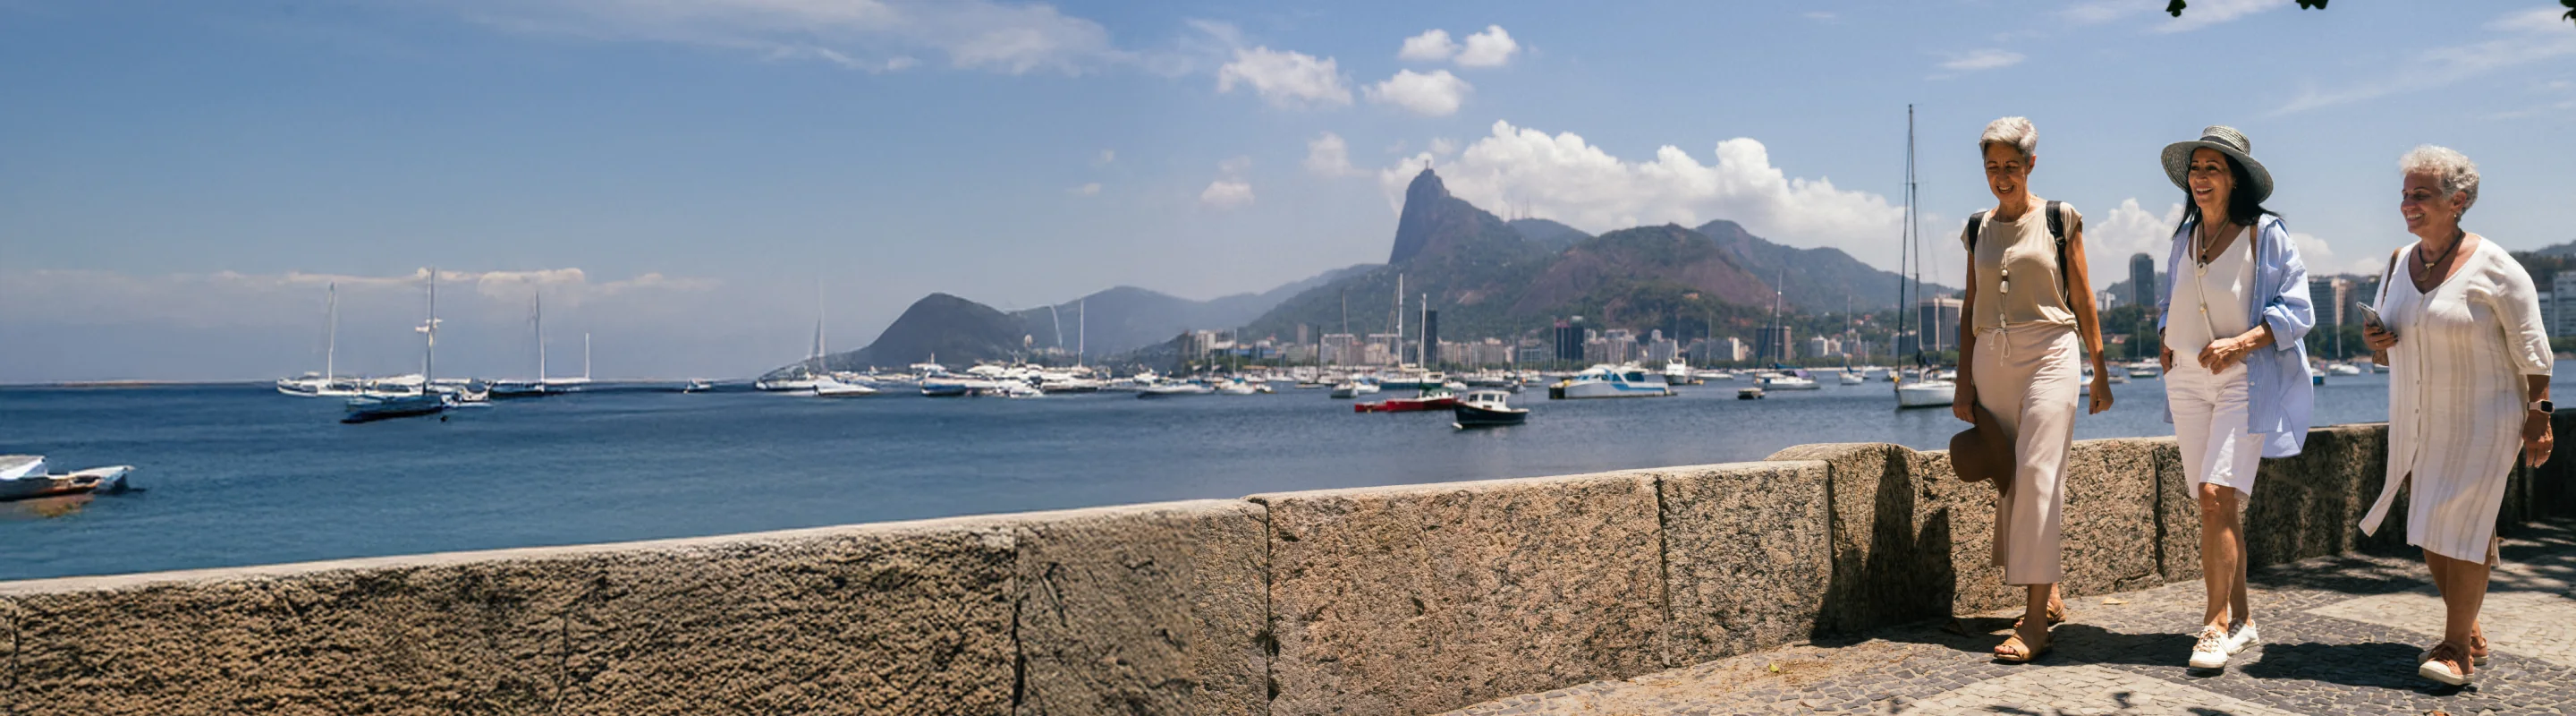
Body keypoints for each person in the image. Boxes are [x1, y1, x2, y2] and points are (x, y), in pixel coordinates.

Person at [2360, 145, 2553, 686]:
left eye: (2420, 195)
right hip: (2422, 417)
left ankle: (2454, 648)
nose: (2407, 204)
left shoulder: (2497, 267)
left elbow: (2533, 348)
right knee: (2429, 529)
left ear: (2458, 200)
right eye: (2405, 195)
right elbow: (2387, 342)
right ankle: (2468, 628)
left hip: (2486, 416)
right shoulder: (2399, 263)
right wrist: (2377, 339)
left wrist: (2541, 413)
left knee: (2464, 528)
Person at [1953, 116, 2114, 663]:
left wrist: (2101, 370)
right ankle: (2049, 590)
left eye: (2011, 166)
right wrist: (1962, 381)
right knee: (2011, 477)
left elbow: (2086, 298)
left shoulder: (2058, 218)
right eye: (1992, 167)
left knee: (2041, 475)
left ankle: (2035, 619)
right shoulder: (1976, 227)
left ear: (2031, 165)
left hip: (2051, 351)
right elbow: (1969, 307)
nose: (2001, 176)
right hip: (1992, 359)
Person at [2154, 126, 2316, 670]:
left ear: (2235, 179)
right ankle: (2243, 620)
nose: (2201, 177)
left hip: (2244, 376)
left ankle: (2213, 625)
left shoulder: (2264, 234)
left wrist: (2241, 344)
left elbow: (2298, 309)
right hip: (2186, 377)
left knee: (2215, 493)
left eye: (2212, 168)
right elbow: (2175, 296)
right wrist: (2163, 337)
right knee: (2215, 505)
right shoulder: (2187, 234)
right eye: (2196, 168)